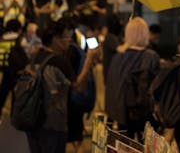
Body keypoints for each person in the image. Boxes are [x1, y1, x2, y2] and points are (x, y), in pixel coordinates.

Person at [25, 17, 99, 153]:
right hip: (54, 123)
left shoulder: (35, 56)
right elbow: (79, 87)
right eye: (66, 37)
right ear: (55, 40)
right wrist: (88, 61)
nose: (69, 41)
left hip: (33, 118)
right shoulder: (60, 62)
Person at [105, 17, 160, 141]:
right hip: (144, 115)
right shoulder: (151, 57)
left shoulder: (117, 57)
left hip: (121, 114)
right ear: (145, 34)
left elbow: (111, 88)